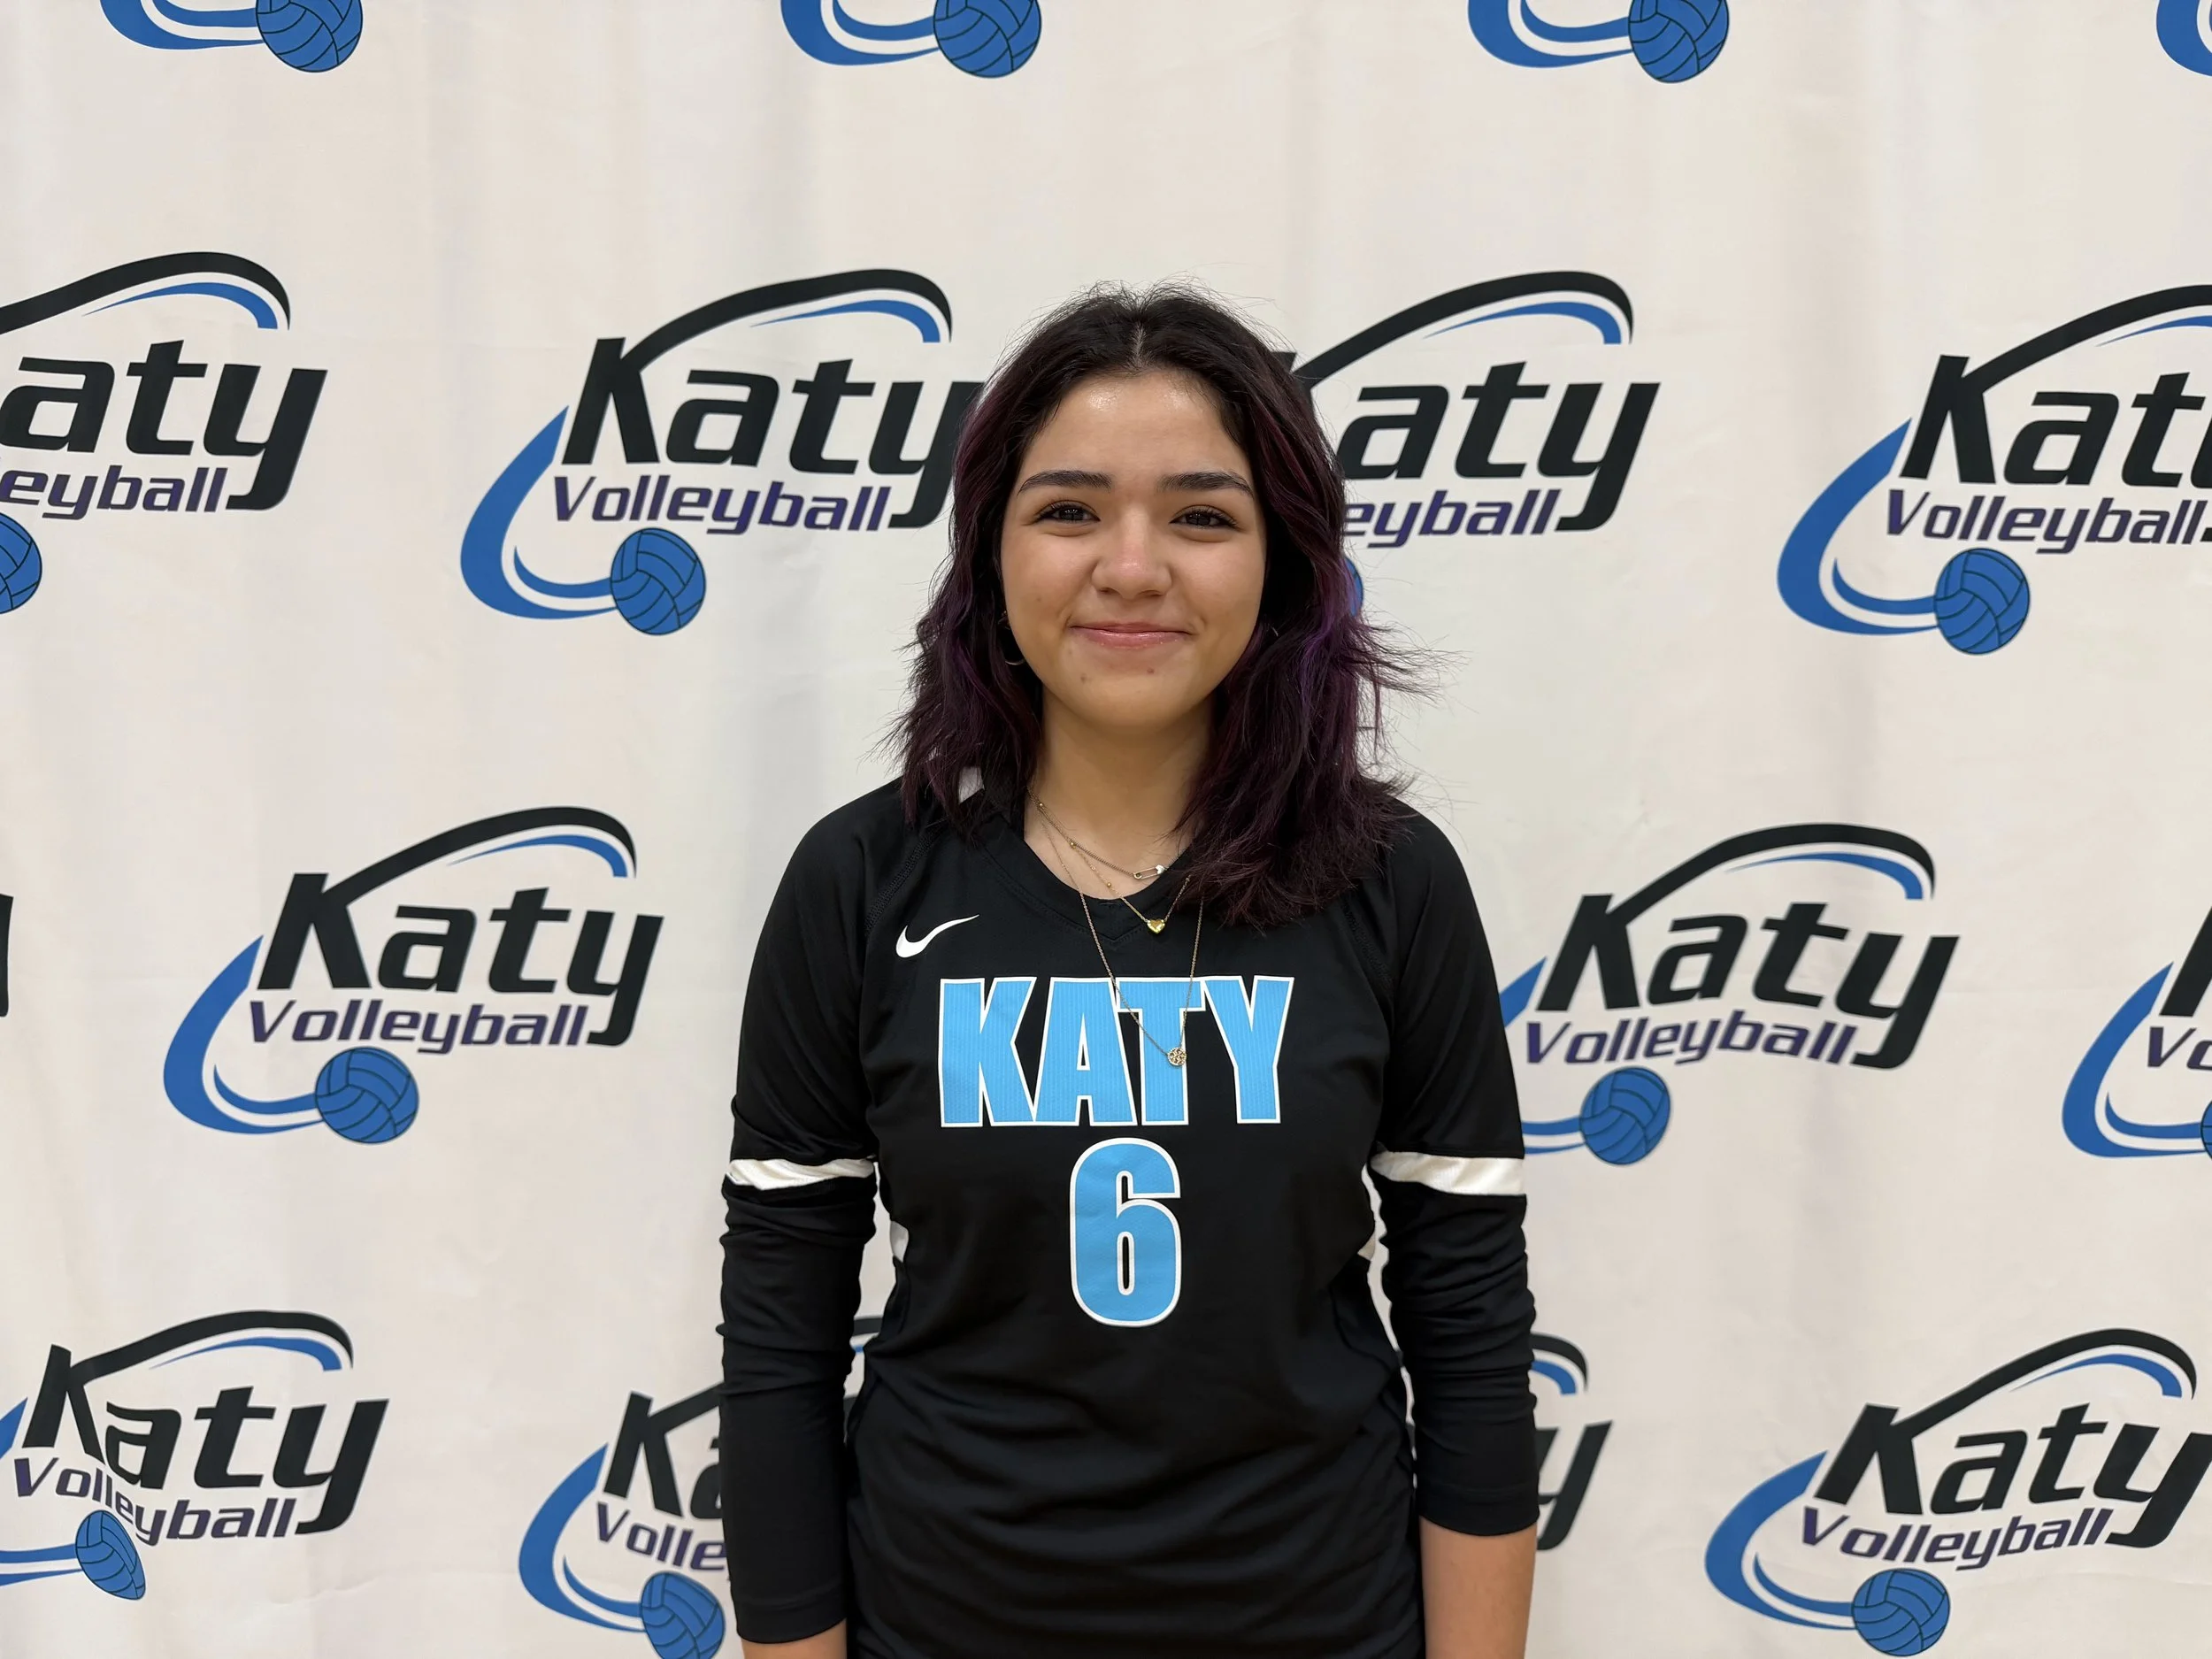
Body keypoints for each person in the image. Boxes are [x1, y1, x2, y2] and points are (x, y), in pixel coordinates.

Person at [718, 285, 1538, 1659]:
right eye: (1070, 510)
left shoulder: (1392, 882)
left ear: (1284, 560)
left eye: (1202, 516)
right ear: (990, 551)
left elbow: (1472, 1335)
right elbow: (777, 1343)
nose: (1133, 565)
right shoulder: (861, 882)